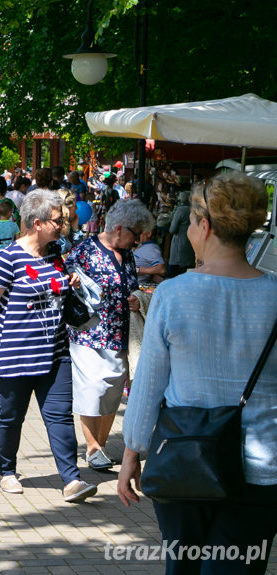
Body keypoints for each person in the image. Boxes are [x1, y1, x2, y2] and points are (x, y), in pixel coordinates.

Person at [118, 172, 277, 575]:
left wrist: (132, 453)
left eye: (190, 221)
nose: (188, 230)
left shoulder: (173, 294)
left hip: (183, 457)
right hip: (262, 466)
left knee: (183, 568)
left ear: (205, 227)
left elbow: (148, 384)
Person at [0, 190, 98, 503]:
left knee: (60, 416)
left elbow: (55, 289)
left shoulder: (55, 253)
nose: (63, 225)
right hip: (15, 356)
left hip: (55, 353)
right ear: (37, 223)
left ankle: (72, 480)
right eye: (57, 221)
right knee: (11, 417)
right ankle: (7, 471)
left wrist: (70, 281)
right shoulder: (7, 258)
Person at [66, 199, 152, 471]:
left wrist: (138, 299)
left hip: (120, 333)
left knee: (112, 391)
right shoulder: (85, 251)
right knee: (92, 388)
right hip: (89, 333)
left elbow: (130, 284)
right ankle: (92, 447)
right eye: (134, 235)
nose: (136, 241)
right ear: (118, 228)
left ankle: (99, 446)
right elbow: (67, 284)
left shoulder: (126, 254)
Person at [167, 190, 195, 277]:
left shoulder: (180, 210)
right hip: (190, 244)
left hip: (179, 245)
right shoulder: (194, 210)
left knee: (173, 273)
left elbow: (172, 229)